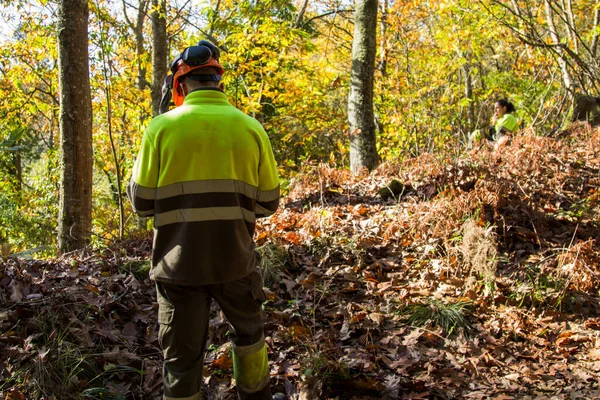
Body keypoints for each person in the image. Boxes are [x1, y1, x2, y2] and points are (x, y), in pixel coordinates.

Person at [127, 40, 280, 400]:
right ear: (218, 82)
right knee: (249, 337)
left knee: (180, 359)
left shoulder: (160, 128)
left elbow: (142, 203)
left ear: (179, 85)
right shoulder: (251, 128)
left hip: (178, 268)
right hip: (236, 261)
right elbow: (269, 202)